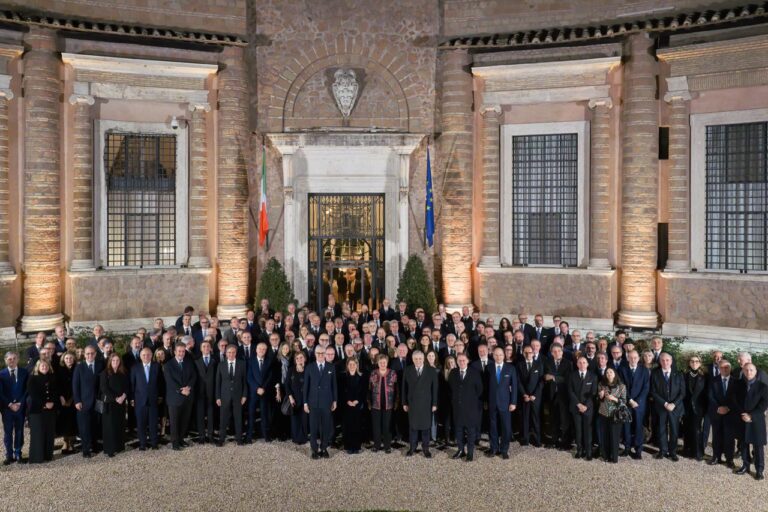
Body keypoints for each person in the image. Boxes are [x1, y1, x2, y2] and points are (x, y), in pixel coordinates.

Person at [401, 350, 438, 458]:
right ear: (412, 359)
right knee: (413, 426)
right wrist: (404, 402)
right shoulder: (407, 370)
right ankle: (412, 447)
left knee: (426, 427)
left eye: (420, 359)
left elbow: (435, 388)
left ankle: (426, 448)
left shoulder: (431, 370)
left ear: (423, 359)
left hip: (426, 403)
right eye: (416, 359)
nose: (418, 361)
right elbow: (404, 387)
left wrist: (434, 403)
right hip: (412, 403)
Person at [734, 363, 768, 480]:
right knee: (743, 444)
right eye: (746, 370)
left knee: (758, 446)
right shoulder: (738, 385)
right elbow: (734, 401)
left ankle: (759, 470)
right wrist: (742, 414)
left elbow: (763, 405)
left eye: (751, 370)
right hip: (742, 418)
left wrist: (751, 415)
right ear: (743, 371)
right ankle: (745, 465)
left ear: (756, 372)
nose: (749, 372)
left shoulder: (763, 387)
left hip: (756, 420)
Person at [304, 345, 338, 459]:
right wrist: (305, 403)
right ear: (315, 354)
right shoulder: (309, 367)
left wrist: (335, 401)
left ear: (325, 354)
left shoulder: (331, 367)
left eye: (322, 353)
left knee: (326, 427)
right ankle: (314, 449)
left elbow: (334, 385)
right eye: (318, 353)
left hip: (326, 402)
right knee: (313, 428)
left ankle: (323, 448)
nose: (320, 355)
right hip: (313, 402)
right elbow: (306, 387)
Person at [448, 353, 483, 461]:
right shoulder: (453, 373)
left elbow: (480, 389)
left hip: (470, 408)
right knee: (458, 430)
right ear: (457, 362)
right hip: (457, 408)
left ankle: (470, 453)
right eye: (459, 361)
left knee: (471, 431)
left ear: (467, 361)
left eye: (463, 360)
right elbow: (450, 388)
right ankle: (460, 450)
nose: (462, 362)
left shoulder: (475, 373)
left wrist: (470, 400)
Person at [651, 353, 685, 461]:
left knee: (674, 430)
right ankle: (662, 451)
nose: (665, 362)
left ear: (671, 361)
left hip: (675, 407)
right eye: (662, 360)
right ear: (659, 361)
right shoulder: (655, 373)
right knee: (661, 429)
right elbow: (653, 391)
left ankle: (673, 452)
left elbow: (682, 393)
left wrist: (673, 404)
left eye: (667, 360)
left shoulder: (679, 374)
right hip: (661, 406)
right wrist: (665, 404)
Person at [73, 345, 104, 458]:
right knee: (84, 427)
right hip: (83, 402)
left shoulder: (101, 365)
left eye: (92, 353)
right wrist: (77, 401)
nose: (90, 355)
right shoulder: (79, 367)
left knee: (96, 425)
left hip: (98, 402)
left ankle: (95, 446)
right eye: (87, 353)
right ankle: (86, 449)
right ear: (84, 354)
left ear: (95, 354)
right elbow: (75, 386)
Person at [165, 343, 198, 450]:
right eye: (179, 351)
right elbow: (170, 381)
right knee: (174, 421)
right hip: (175, 397)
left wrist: (188, 387)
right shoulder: (168, 365)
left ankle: (181, 439)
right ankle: (175, 443)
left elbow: (194, 376)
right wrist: (181, 390)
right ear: (175, 352)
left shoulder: (189, 362)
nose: (181, 353)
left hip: (188, 396)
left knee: (185, 420)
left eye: (183, 351)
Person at [619, 350, 650, 459]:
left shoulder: (644, 370)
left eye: (635, 357)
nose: (633, 359)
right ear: (627, 358)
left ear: (638, 358)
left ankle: (638, 450)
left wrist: (638, 401)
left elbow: (646, 387)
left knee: (638, 426)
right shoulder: (622, 369)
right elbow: (621, 387)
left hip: (639, 404)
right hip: (627, 403)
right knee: (626, 426)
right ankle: (627, 448)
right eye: (631, 357)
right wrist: (630, 400)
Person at [487, 346, 517, 459]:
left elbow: (514, 387)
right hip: (492, 403)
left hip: (506, 403)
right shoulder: (488, 368)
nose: (498, 357)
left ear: (504, 356)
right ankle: (494, 448)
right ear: (493, 355)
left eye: (500, 355)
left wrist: (513, 402)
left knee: (506, 428)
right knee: (493, 427)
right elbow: (486, 386)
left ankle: (504, 450)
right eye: (496, 355)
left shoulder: (510, 368)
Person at [130, 347, 161, 451]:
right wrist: (132, 399)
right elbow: (132, 385)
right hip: (139, 401)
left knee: (153, 423)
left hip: (153, 400)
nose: (146, 357)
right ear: (140, 356)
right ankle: (142, 443)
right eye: (143, 355)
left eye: (148, 355)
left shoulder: (157, 367)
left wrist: (160, 396)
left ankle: (154, 443)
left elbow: (161, 383)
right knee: (141, 423)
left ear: (151, 356)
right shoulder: (135, 368)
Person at [215, 345, 247, 446]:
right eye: (229, 352)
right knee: (223, 418)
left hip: (238, 396)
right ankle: (221, 438)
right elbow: (218, 383)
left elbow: (245, 381)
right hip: (224, 396)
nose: (231, 354)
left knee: (238, 417)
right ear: (226, 353)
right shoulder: (221, 365)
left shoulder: (242, 364)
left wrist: (244, 395)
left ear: (236, 353)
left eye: (233, 352)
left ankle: (239, 439)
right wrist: (218, 397)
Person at [708, 360, 737, 468]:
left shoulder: (736, 382)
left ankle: (729, 459)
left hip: (730, 414)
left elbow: (737, 398)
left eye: (727, 367)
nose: (724, 369)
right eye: (722, 367)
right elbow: (710, 396)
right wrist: (718, 408)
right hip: (717, 413)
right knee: (716, 436)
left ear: (730, 368)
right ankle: (716, 457)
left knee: (729, 438)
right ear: (718, 369)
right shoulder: (713, 381)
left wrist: (728, 408)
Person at [26, 359, 57, 463]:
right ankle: (37, 458)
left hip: (51, 409)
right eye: (42, 366)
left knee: (49, 432)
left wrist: (52, 402)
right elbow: (33, 394)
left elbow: (56, 391)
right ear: (37, 367)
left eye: (46, 365)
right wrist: (44, 404)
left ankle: (48, 455)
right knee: (38, 433)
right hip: (37, 410)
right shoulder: (32, 378)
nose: (44, 367)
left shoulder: (53, 377)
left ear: (49, 367)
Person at [0, 351, 28, 464]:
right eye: (9, 359)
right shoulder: (1, 374)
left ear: (18, 359)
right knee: (8, 432)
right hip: (7, 408)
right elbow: (0, 393)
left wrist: (20, 403)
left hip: (20, 408)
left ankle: (18, 454)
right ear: (5, 360)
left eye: (14, 358)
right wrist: (10, 404)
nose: (12, 361)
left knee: (20, 431)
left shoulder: (24, 372)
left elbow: (27, 389)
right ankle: (9, 455)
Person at [568, 356, 598, 460]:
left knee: (588, 430)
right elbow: (570, 391)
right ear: (577, 364)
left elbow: (593, 393)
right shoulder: (572, 375)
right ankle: (579, 450)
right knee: (578, 430)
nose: (582, 364)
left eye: (584, 362)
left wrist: (585, 405)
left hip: (588, 408)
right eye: (580, 362)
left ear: (587, 364)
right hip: (576, 407)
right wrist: (578, 404)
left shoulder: (593, 376)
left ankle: (588, 451)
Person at [544, 344, 572, 449]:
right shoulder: (547, 362)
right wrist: (548, 377)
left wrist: (553, 377)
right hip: (552, 394)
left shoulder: (568, 363)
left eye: (559, 351)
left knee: (564, 420)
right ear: (551, 353)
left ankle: (565, 442)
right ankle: (553, 440)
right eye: (554, 351)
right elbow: (545, 376)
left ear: (562, 352)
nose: (557, 353)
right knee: (553, 419)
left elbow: (568, 379)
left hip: (563, 395)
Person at [100, 353, 128, 457]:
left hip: (121, 403)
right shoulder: (105, 373)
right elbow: (104, 389)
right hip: (110, 403)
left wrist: (124, 396)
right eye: (113, 361)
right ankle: (110, 449)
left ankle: (119, 446)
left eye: (117, 360)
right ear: (110, 362)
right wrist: (116, 398)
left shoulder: (123, 372)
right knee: (109, 427)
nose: (115, 363)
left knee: (119, 425)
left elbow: (127, 386)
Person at [369, 353, 397, 453]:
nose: (382, 364)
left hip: (388, 404)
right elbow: (369, 388)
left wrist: (396, 402)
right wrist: (369, 402)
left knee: (387, 426)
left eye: (384, 362)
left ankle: (387, 446)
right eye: (380, 362)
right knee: (376, 426)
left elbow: (396, 389)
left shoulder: (392, 373)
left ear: (387, 362)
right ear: (378, 363)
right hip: (375, 404)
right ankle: (376, 445)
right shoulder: (373, 373)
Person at [597, 367, 626, 463]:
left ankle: (614, 457)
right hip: (604, 413)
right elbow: (598, 400)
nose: (609, 374)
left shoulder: (621, 386)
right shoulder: (601, 385)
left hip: (616, 415)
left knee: (615, 436)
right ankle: (605, 456)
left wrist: (614, 399)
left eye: (611, 372)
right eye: (607, 372)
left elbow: (624, 402)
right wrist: (600, 396)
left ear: (615, 374)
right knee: (605, 436)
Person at [246, 342, 273, 443]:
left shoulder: (269, 361)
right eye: (260, 349)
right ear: (256, 350)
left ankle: (266, 436)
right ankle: (249, 436)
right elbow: (249, 377)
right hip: (253, 392)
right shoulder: (250, 361)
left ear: (266, 351)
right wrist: (257, 388)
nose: (262, 351)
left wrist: (263, 388)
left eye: (264, 349)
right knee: (251, 414)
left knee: (264, 415)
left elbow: (270, 377)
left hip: (264, 392)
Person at [517, 346, 543, 447]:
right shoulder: (519, 365)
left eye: (530, 352)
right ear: (523, 353)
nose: (528, 354)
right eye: (526, 352)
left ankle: (537, 440)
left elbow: (541, 381)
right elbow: (518, 381)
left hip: (535, 397)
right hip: (525, 397)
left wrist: (535, 395)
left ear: (533, 353)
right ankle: (525, 439)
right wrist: (524, 394)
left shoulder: (539, 364)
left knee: (536, 418)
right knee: (525, 418)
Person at [683, 355, 707, 461]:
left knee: (697, 429)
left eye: (697, 361)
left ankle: (698, 452)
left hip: (699, 407)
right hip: (686, 407)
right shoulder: (684, 375)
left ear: (700, 363)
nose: (694, 363)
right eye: (692, 361)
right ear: (689, 363)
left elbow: (706, 393)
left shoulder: (705, 376)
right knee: (687, 428)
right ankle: (687, 450)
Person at [340, 358, 367, 454]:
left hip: (357, 405)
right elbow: (341, 391)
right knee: (347, 426)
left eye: (354, 364)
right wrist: (347, 401)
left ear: (357, 365)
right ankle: (348, 446)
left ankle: (356, 446)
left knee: (357, 426)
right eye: (350, 364)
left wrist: (357, 401)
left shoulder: (362, 376)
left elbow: (364, 391)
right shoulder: (343, 377)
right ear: (347, 365)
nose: (352, 366)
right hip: (346, 405)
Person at [194, 340, 217, 444]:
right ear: (200, 348)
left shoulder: (215, 361)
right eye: (204, 346)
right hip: (200, 393)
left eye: (208, 346)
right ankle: (202, 436)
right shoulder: (196, 361)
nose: (206, 348)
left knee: (211, 414)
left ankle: (211, 435)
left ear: (211, 348)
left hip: (212, 392)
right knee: (200, 414)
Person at [56, 352, 78, 454]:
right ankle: (65, 442)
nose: (69, 360)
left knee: (73, 422)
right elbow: (57, 385)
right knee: (64, 422)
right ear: (63, 360)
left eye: (70, 358)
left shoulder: (77, 369)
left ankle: (72, 443)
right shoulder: (59, 370)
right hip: (63, 400)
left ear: (74, 359)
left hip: (74, 399)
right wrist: (61, 397)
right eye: (67, 358)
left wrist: (73, 398)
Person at [286, 351, 308, 444]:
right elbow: (287, 384)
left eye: (301, 357)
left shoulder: (308, 369)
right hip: (294, 398)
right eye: (297, 358)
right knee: (295, 419)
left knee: (304, 419)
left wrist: (302, 369)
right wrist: (290, 397)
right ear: (295, 360)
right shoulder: (291, 369)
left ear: (305, 359)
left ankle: (303, 438)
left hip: (305, 398)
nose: (299, 359)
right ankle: (295, 438)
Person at [438, 356, 456, 447]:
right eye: (448, 362)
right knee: (447, 421)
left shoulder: (458, 372)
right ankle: (447, 439)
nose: (450, 364)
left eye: (452, 362)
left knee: (455, 420)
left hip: (456, 401)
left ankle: (454, 437)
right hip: (446, 401)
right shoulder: (442, 373)